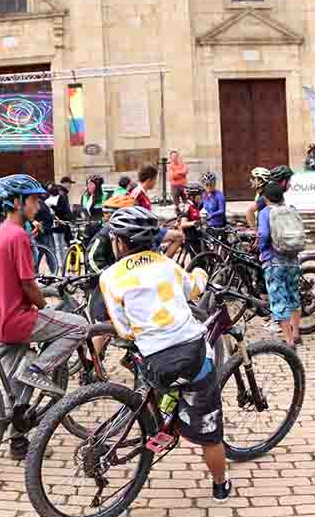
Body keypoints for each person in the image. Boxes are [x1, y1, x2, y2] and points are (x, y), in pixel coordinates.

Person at [97, 205, 232, 501]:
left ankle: (161, 418)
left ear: (120, 242)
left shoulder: (109, 277)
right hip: (193, 356)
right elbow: (193, 289)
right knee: (211, 432)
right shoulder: (166, 265)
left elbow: (122, 329)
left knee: (159, 377)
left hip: (154, 363)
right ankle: (220, 486)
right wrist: (200, 272)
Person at [0, 174, 89, 401]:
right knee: (80, 326)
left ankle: (16, 433)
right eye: (33, 200)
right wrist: (44, 306)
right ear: (18, 202)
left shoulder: (0, 233)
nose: (38, 205)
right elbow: (28, 284)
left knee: (17, 395)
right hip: (17, 319)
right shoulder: (17, 235)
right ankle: (37, 369)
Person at [255, 180, 304, 347]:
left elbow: (263, 235)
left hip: (274, 261)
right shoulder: (291, 210)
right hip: (293, 259)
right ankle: (296, 333)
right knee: (294, 295)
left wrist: (261, 250)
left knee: (278, 299)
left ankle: (289, 340)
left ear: (266, 198)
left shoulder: (264, 213)